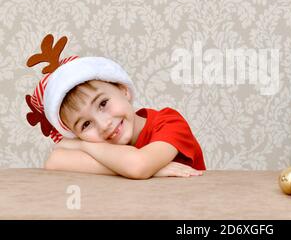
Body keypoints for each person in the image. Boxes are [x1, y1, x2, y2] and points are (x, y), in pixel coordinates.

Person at [25, 34, 206, 179]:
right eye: (85, 125)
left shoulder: (169, 122)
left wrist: (82, 146)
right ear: (76, 134)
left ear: (123, 90)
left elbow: (138, 166)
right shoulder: (97, 145)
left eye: (103, 104)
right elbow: (54, 161)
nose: (104, 125)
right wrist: (153, 170)